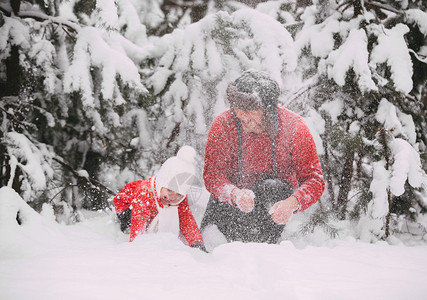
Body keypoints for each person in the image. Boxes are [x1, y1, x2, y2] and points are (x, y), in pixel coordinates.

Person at [200, 70, 325, 244]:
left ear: (268, 110)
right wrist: (235, 194)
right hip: (229, 204)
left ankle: (264, 249)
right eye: (238, 109)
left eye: (250, 110)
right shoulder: (223, 124)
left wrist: (292, 203)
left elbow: (314, 180)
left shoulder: (295, 128)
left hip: (269, 207)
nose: (243, 116)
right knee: (209, 249)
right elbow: (212, 175)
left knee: (274, 187)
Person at [113, 146, 206, 252]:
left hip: (153, 210)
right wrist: (137, 246)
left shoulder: (179, 198)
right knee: (132, 223)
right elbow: (138, 221)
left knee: (176, 216)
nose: (172, 197)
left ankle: (156, 224)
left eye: (179, 195)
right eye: (170, 190)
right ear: (161, 183)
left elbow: (186, 219)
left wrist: (196, 242)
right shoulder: (145, 192)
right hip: (127, 206)